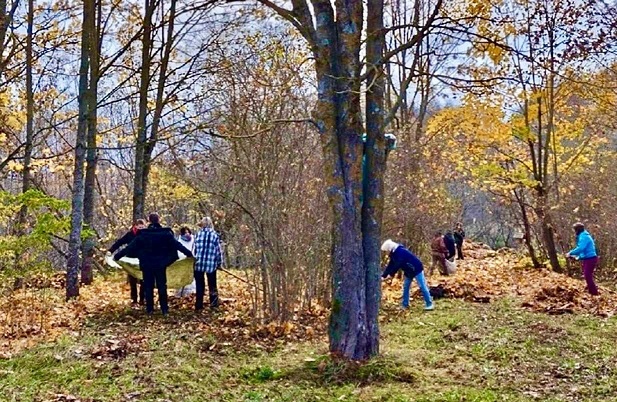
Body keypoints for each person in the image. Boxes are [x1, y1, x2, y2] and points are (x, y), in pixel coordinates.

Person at [114, 213, 193, 315]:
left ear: (149, 221)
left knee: (148, 286)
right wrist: (189, 254)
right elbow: (177, 245)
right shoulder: (166, 234)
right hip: (161, 264)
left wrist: (117, 256)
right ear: (159, 220)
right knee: (161, 286)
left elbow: (130, 247)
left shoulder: (143, 235)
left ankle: (150, 309)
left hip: (147, 265)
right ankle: (164, 309)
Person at [381, 239, 434, 311]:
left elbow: (397, 264)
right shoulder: (394, 254)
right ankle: (405, 304)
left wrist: (391, 274)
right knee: (406, 286)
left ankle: (429, 304)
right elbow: (391, 265)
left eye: (386, 251)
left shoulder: (400, 252)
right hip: (409, 271)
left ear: (389, 248)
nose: (386, 253)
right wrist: (384, 275)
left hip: (416, 268)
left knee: (422, 286)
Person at [107, 219, 146, 305]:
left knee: (143, 280)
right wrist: (111, 250)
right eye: (140, 227)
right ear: (135, 226)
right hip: (131, 260)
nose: (141, 229)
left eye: (143, 227)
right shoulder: (130, 235)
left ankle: (142, 299)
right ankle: (134, 299)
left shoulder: (145, 235)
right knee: (132, 280)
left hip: (142, 259)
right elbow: (119, 242)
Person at [193, 217, 223, 310]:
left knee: (199, 285)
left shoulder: (198, 234)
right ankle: (214, 305)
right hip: (211, 264)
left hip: (198, 263)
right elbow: (218, 251)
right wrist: (219, 263)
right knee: (212, 285)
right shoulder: (214, 235)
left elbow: (194, 249)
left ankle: (199, 305)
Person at [566, 222, 599, 296]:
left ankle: (594, 293)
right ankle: (590, 289)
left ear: (577, 230)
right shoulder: (583, 235)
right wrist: (577, 257)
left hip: (590, 258)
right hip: (588, 258)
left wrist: (570, 253)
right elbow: (584, 251)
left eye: (575, 230)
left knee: (587, 274)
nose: (574, 232)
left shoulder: (584, 237)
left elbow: (581, 248)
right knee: (587, 274)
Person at [176, 227, 197, 297]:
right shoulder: (179, 240)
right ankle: (181, 293)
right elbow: (179, 251)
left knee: (191, 277)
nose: (187, 234)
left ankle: (191, 293)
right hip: (182, 262)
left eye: (188, 232)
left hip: (191, 261)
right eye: (185, 233)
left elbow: (195, 249)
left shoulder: (194, 240)